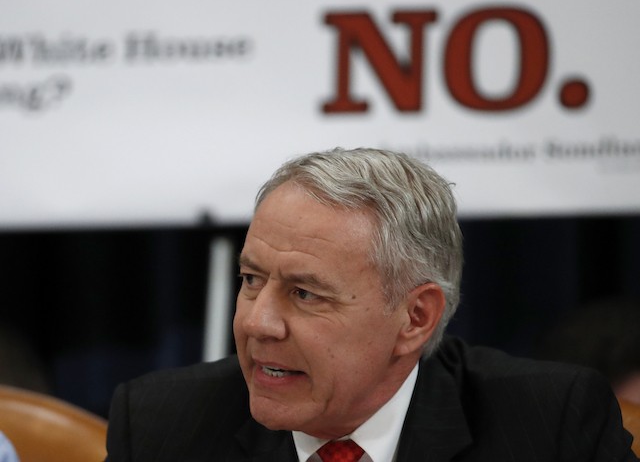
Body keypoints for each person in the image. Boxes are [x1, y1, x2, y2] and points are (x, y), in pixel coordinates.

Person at [105, 147, 637, 461]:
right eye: (250, 279)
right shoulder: (163, 428)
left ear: (415, 318)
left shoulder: (548, 427)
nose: (257, 321)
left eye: (304, 293)